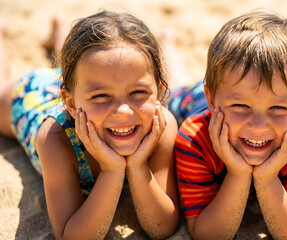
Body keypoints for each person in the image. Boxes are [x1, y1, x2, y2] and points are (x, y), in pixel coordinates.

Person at [0, 10, 180, 239]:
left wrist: (138, 165)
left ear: (159, 93)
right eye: (102, 97)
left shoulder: (161, 127)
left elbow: (162, 228)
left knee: (82, 72)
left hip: (85, 84)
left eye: (138, 92)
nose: (123, 111)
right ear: (71, 104)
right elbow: (70, 236)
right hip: (33, 98)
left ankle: (60, 28)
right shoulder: (55, 139)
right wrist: (112, 171)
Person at [170, 9, 287, 240]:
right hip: (192, 101)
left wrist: (267, 177)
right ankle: (168, 45)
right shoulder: (194, 138)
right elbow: (206, 234)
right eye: (241, 106)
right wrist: (238, 174)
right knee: (174, 86)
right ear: (212, 99)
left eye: (278, 108)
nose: (259, 126)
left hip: (224, 95)